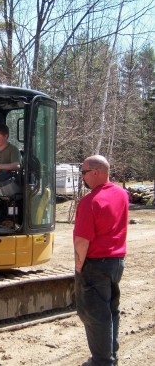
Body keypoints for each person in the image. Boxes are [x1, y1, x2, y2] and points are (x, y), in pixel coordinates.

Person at [73, 155, 129, 366]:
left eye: (84, 172)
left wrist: (79, 267)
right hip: (116, 262)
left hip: (95, 264)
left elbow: (82, 241)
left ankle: (102, 361)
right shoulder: (122, 195)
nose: (82, 177)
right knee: (111, 309)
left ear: (95, 173)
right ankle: (110, 354)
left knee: (94, 315)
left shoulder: (90, 202)